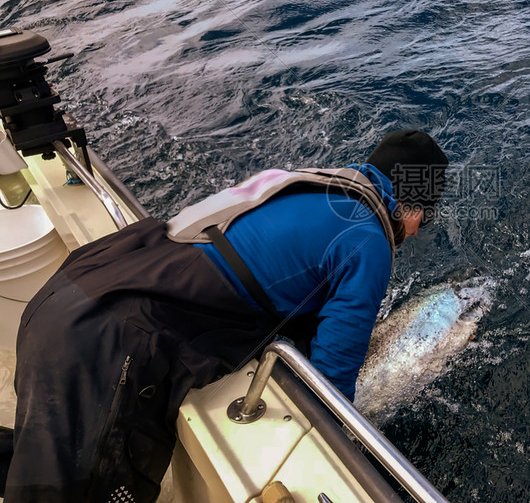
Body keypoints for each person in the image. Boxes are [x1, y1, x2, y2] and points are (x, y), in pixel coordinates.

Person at [2, 129, 449, 503]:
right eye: (422, 218)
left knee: (42, 464)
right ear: (409, 206)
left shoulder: (317, 186)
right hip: (107, 339)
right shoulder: (367, 240)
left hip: (77, 290)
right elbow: (332, 382)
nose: (414, 230)